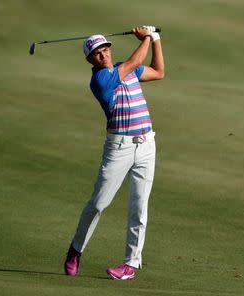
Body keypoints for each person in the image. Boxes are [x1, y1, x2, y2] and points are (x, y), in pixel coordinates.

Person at [64, 26, 164, 280]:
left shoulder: (128, 70)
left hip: (146, 145)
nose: (103, 54)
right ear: (90, 59)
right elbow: (135, 61)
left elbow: (159, 72)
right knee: (99, 203)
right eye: (97, 52)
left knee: (139, 207)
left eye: (105, 48)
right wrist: (145, 37)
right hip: (119, 148)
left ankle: (131, 264)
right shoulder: (100, 80)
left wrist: (156, 40)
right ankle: (76, 249)